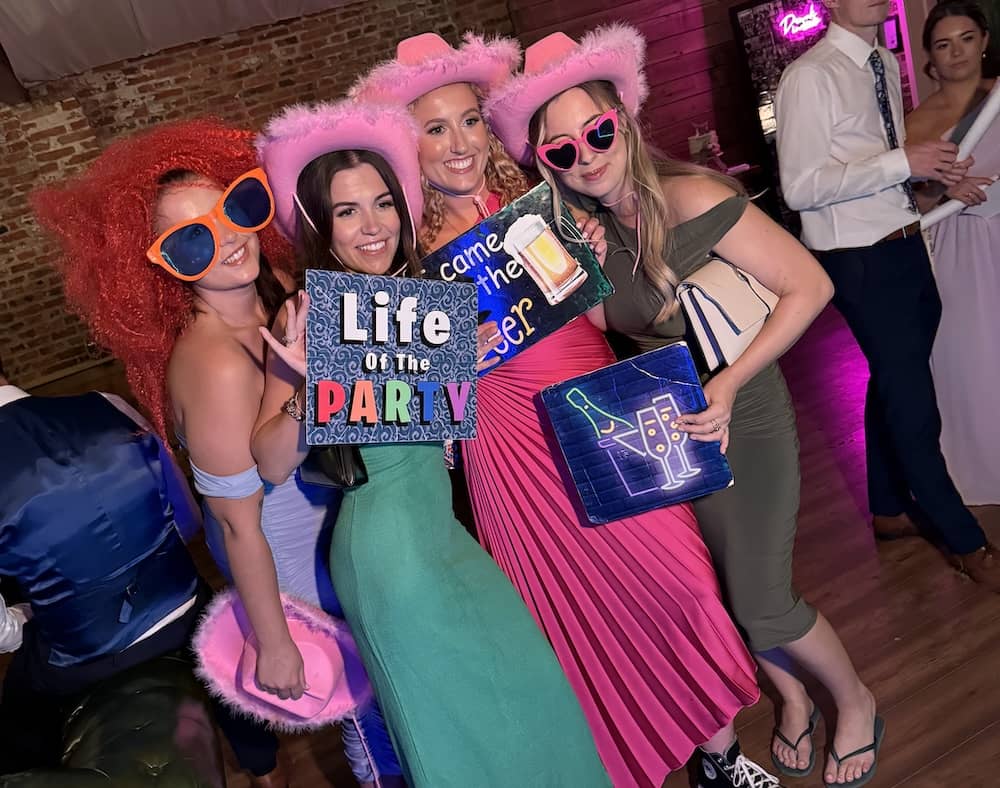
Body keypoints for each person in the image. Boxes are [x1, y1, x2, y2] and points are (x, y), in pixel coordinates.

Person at [351, 33, 774, 788]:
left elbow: (607, 324)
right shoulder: (404, 257)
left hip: (598, 413)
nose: (458, 144)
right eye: (435, 128)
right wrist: (455, 365)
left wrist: (591, 258)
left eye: (470, 121)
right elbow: (414, 423)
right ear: (406, 147)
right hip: (510, 455)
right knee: (574, 625)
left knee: (685, 587)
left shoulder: (544, 206)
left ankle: (719, 757)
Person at [487, 23, 888, 788]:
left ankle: (856, 699)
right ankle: (794, 702)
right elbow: (615, 330)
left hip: (746, 413)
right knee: (732, 593)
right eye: (562, 150)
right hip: (667, 427)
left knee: (765, 599)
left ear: (625, 122)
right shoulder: (596, 229)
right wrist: (584, 274)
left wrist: (730, 383)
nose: (587, 155)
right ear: (546, 164)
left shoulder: (694, 196)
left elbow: (812, 287)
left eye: (597, 132)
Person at [31, 120, 401, 788]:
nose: (230, 238)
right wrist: (276, 641)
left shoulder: (273, 286)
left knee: (397, 699)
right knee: (371, 715)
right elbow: (235, 522)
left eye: (237, 208)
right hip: (291, 558)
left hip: (337, 527)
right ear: (161, 265)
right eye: (194, 237)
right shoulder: (213, 365)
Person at [255, 97, 610, 788]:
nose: (371, 225)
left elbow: (442, 408)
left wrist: (580, 251)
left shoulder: (419, 292)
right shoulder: (310, 311)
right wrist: (308, 386)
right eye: (347, 210)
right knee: (456, 735)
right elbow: (268, 458)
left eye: (382, 203)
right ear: (321, 225)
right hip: (388, 553)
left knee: (530, 693)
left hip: (442, 534)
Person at [775, 0, 1000, 589]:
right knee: (915, 403)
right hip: (860, 259)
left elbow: (881, 167)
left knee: (895, 379)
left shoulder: (880, 59)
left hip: (903, 245)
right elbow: (799, 188)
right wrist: (905, 159)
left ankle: (887, 507)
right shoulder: (808, 76)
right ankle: (964, 539)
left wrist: (938, 177)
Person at [0, 354, 224, 776]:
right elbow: (189, 521)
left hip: (85, 659)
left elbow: (4, 635)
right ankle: (261, 758)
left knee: (15, 724)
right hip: (188, 611)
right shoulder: (107, 404)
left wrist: (31, 609)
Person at [905, 0, 999, 506]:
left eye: (966, 38)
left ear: (984, 41)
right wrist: (945, 192)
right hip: (959, 244)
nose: (957, 51)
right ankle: (979, 468)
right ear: (930, 62)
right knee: (973, 355)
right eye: (943, 44)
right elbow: (909, 201)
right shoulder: (918, 123)